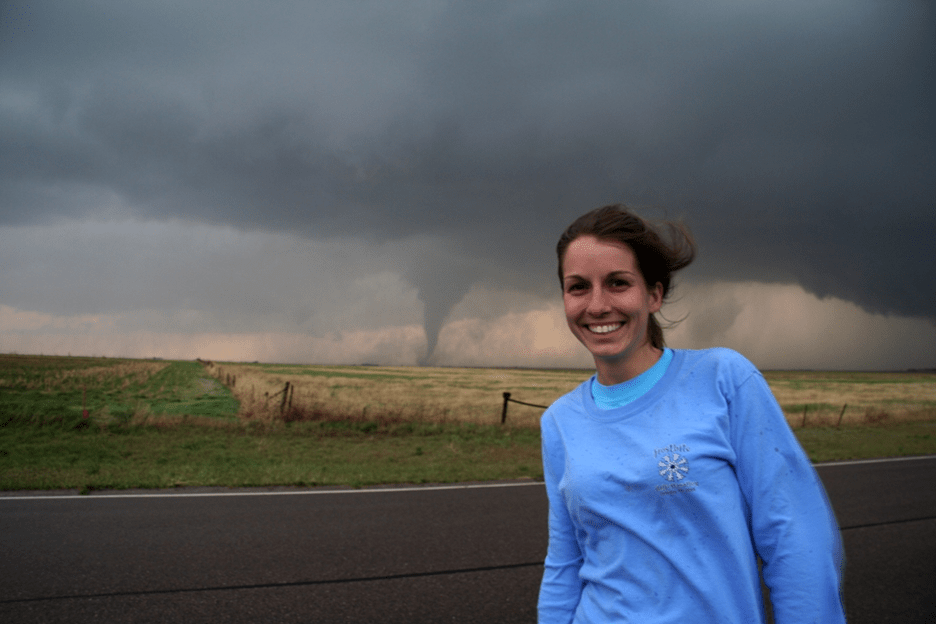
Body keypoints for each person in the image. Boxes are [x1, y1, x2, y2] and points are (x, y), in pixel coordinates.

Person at [538, 204, 845, 623]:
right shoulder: (559, 421)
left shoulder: (724, 380)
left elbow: (795, 536)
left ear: (654, 294)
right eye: (577, 287)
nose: (597, 305)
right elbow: (564, 563)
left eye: (617, 283)